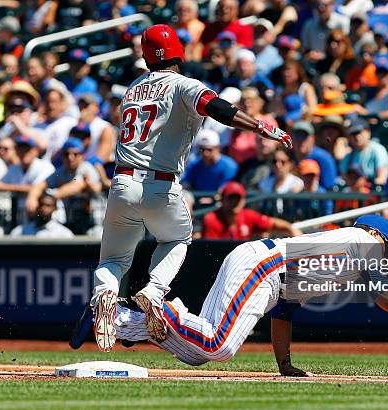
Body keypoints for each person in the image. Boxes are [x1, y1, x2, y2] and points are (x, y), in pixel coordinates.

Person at [90, 25, 291, 352]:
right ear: (178, 51)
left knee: (112, 260)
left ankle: (104, 296)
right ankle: (154, 291)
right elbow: (219, 109)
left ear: (145, 53)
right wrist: (260, 126)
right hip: (160, 182)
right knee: (177, 238)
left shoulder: (133, 87)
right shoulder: (184, 84)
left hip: (122, 182)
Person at [108, 215, 388, 373]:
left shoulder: (341, 259)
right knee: (220, 347)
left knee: (197, 354)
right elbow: (383, 294)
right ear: (380, 237)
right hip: (264, 267)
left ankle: (119, 320)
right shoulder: (365, 241)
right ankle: (161, 308)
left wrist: (284, 364)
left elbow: (284, 309)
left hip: (262, 267)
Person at [25, 138, 101, 234]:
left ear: (82, 156)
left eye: (75, 154)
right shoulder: (62, 171)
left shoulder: (86, 168)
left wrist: (49, 198)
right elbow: (40, 185)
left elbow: (76, 186)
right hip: (72, 221)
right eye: (66, 154)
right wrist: (32, 198)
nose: (70, 157)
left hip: (93, 223)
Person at [201, 181, 301, 239]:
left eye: (238, 198)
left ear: (243, 201)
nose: (234, 202)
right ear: (222, 199)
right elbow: (211, 250)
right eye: (231, 198)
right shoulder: (211, 219)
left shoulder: (248, 216)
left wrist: (291, 229)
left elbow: (273, 223)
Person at [339, 118, 388, 186]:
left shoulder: (378, 150)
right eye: (353, 134)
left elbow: (382, 179)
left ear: (368, 132)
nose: (357, 136)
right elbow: (344, 178)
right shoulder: (349, 155)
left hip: (371, 192)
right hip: (353, 193)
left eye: (359, 132)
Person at [291, 121, 337, 190]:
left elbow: (330, 189)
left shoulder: (323, 158)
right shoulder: (287, 158)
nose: (300, 140)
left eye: (304, 136)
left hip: (319, 200)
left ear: (313, 139)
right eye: (297, 136)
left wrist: (304, 189)